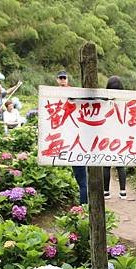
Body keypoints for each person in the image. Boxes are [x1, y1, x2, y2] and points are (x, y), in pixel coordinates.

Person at [56, 70, 88, 204]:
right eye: (60, 78)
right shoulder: (53, 93)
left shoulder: (74, 93)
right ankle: (84, 206)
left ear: (67, 79)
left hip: (76, 140)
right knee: (80, 177)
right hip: (63, 140)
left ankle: (84, 206)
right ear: (57, 80)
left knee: (82, 179)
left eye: (65, 78)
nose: (63, 80)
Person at [103, 76, 128, 200]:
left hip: (107, 134)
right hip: (120, 134)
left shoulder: (105, 100)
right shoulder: (125, 100)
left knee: (106, 164)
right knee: (120, 163)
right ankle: (123, 191)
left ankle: (106, 192)